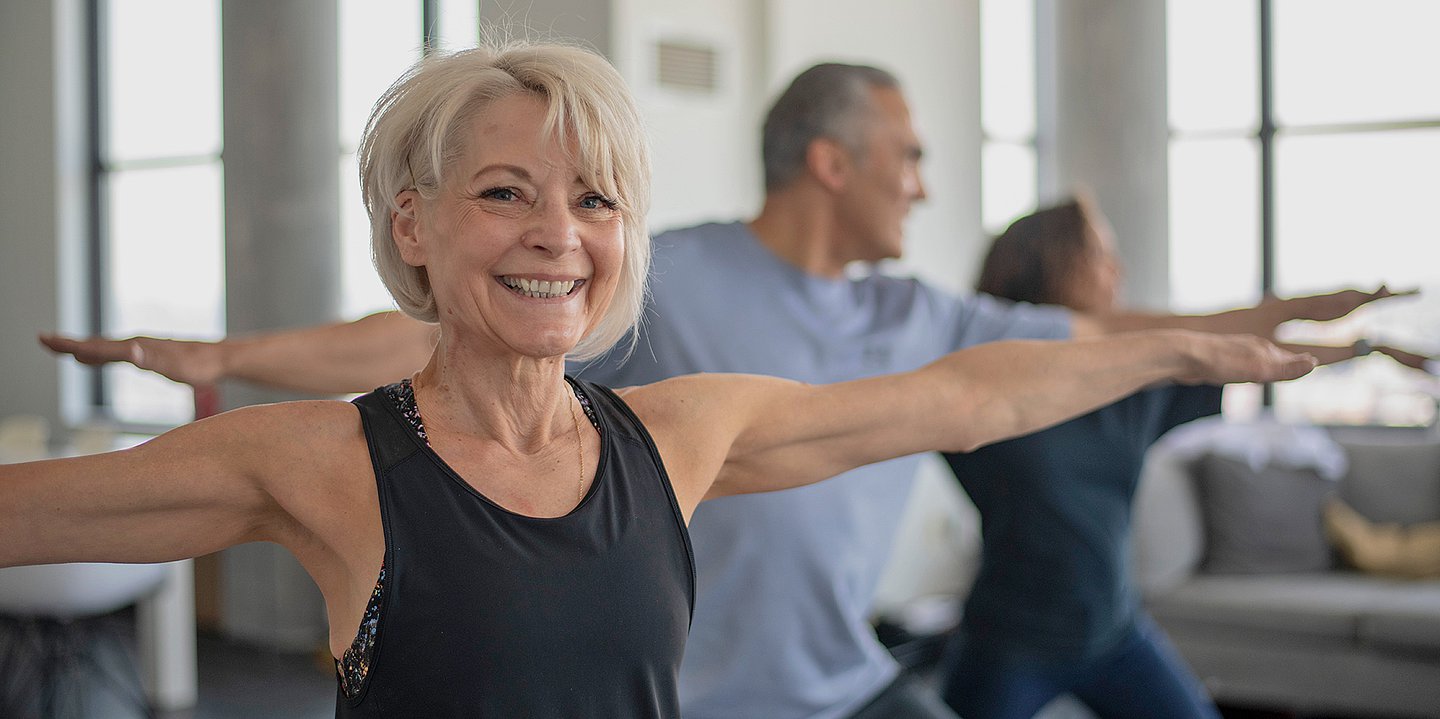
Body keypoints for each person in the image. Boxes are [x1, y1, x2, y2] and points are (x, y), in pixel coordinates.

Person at [37, 63, 1392, 718]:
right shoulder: (330, 460)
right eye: (503, 192)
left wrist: (1184, 348)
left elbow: (969, 392)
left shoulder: (679, 427)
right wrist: (224, 359)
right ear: (414, 225)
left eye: (594, 196)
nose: (558, 231)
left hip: (846, 678)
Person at [936, 195, 1422, 719]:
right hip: (1012, 642)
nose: (1116, 271)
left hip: (1115, 632)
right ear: (1054, 267)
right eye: (1100, 255)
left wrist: (1362, 347)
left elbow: (1243, 350)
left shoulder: (1130, 385)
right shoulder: (983, 390)